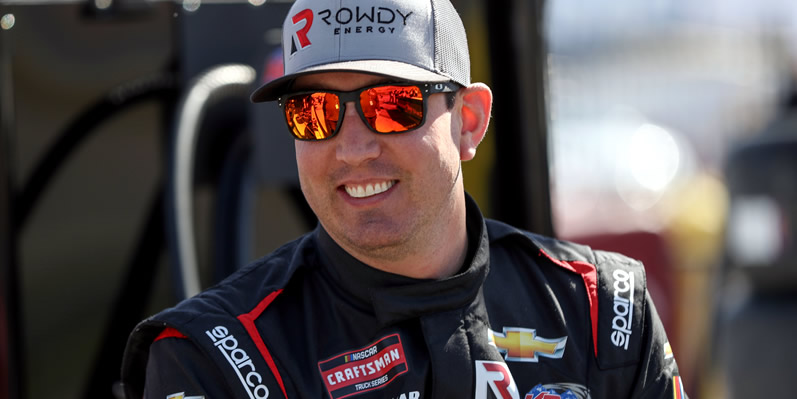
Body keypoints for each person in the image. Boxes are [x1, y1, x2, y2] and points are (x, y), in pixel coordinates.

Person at [121, 0, 688, 397]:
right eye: (313, 113)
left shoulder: (605, 311)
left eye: (391, 105)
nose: (352, 149)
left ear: (468, 121)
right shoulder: (212, 358)